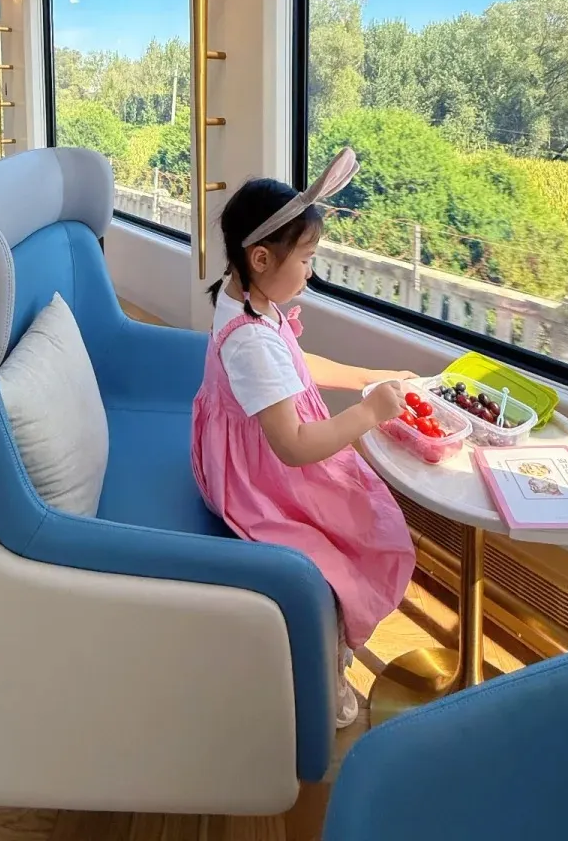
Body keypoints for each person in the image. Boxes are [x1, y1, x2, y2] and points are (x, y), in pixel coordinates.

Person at [191, 149, 417, 729]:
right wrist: (366, 414)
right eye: (308, 258)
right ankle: (328, 665)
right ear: (261, 257)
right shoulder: (249, 339)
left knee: (358, 516)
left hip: (252, 449)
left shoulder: (249, 302)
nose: (311, 272)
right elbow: (291, 445)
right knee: (343, 546)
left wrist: (365, 377)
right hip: (258, 474)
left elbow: (298, 365)